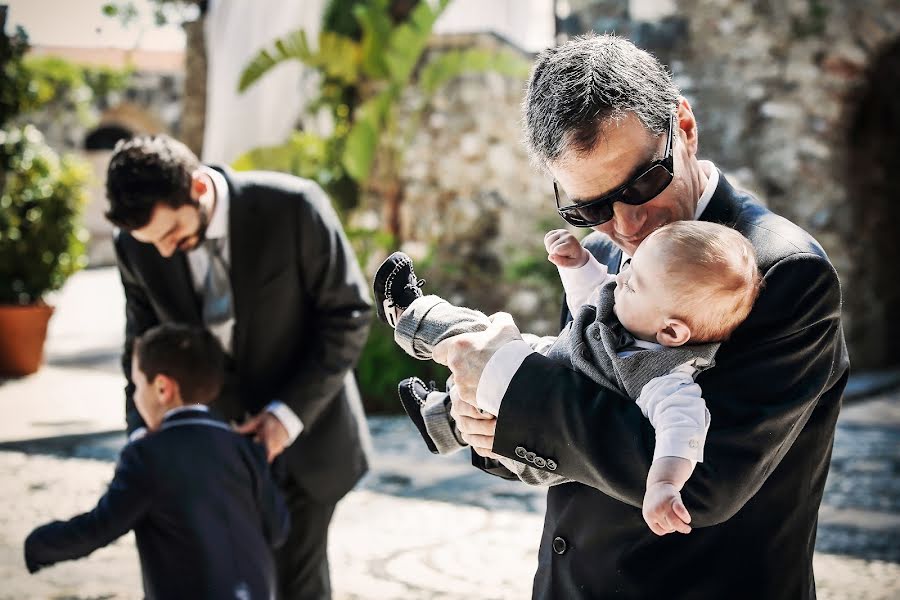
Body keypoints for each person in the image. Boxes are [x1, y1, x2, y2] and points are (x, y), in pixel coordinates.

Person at [427, 34, 848, 599]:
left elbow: (703, 483)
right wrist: (490, 423)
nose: (626, 228)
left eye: (643, 183)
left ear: (686, 127)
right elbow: (580, 419)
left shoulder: (782, 271)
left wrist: (517, 388)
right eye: (592, 207)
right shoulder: (597, 260)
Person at [104, 134, 372, 599]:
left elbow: (348, 314)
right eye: (152, 242)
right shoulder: (137, 246)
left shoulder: (295, 207)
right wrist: (142, 443)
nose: (164, 252)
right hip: (212, 453)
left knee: (295, 587)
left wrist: (284, 418)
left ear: (198, 189)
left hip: (305, 440)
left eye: (172, 235)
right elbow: (144, 351)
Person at [376, 220, 761, 534]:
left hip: (541, 449)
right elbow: (591, 294)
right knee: (478, 392)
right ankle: (438, 422)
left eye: (633, 283)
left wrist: (663, 484)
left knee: (481, 333)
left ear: (672, 333)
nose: (620, 277)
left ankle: (411, 314)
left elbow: (683, 433)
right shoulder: (630, 309)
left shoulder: (667, 378)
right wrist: (575, 262)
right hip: (540, 376)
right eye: (630, 267)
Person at [24, 324, 290, 599]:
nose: (136, 397)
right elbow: (277, 529)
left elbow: (101, 527)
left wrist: (37, 545)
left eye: (137, 386)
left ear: (162, 388)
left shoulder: (147, 455)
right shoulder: (245, 448)